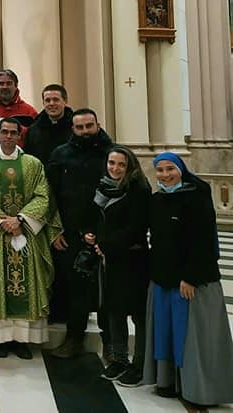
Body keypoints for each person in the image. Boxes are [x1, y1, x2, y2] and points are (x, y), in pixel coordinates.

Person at [0, 117, 63, 359]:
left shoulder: (32, 164)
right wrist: (5, 222)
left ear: (19, 136)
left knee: (27, 285)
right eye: (5, 132)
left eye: (13, 133)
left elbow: (43, 196)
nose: (9, 136)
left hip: (26, 231)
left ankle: (22, 339)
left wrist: (20, 219)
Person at [142, 153, 233, 406]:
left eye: (170, 168)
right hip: (163, 279)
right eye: (159, 170)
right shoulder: (157, 200)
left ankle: (199, 390)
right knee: (167, 333)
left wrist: (190, 277)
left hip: (193, 281)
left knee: (194, 338)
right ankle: (168, 382)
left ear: (182, 169)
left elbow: (204, 240)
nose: (165, 174)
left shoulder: (197, 196)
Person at [46, 107, 113, 358]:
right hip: (71, 233)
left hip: (105, 233)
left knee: (106, 290)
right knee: (75, 289)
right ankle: (74, 338)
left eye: (89, 126)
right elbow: (49, 194)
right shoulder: (61, 154)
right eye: (80, 127)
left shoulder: (112, 153)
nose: (85, 132)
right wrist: (55, 230)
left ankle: (110, 343)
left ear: (97, 125)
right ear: (72, 129)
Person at [82, 146, 150, 387]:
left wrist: (107, 245)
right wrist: (90, 234)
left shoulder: (139, 189)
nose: (115, 168)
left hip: (132, 259)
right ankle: (119, 360)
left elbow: (136, 227)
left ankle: (140, 365)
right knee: (114, 311)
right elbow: (95, 217)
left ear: (130, 166)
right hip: (108, 259)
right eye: (112, 163)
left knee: (138, 314)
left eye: (121, 164)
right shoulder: (103, 187)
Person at [24, 84, 74, 164]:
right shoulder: (33, 130)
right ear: (43, 103)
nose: (51, 103)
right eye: (47, 100)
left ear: (65, 101)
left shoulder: (76, 127)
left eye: (56, 100)